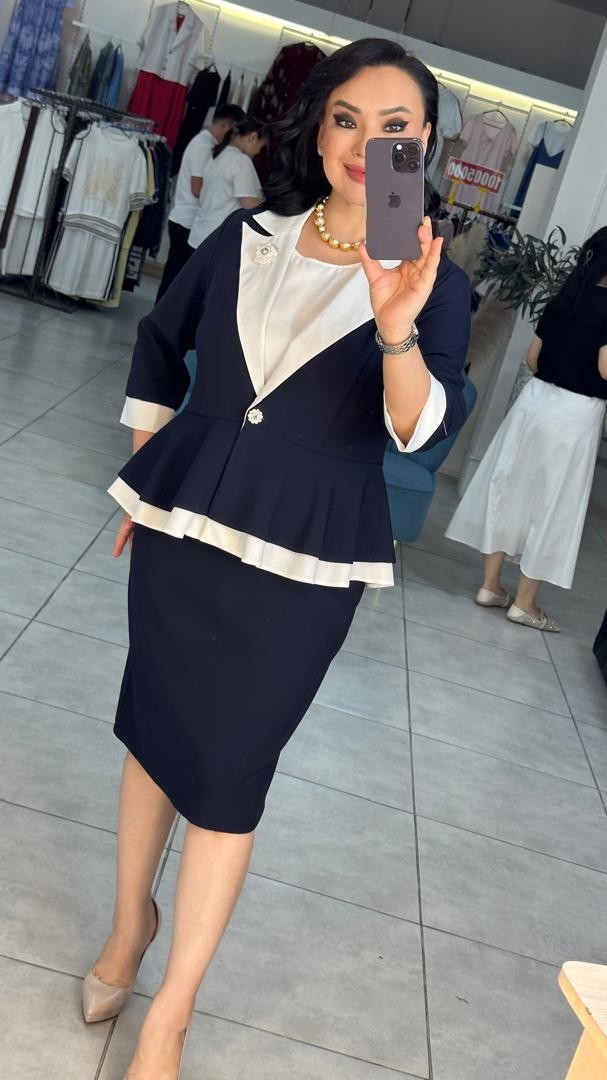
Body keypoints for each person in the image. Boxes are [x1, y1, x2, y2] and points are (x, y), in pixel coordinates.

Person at [83, 38, 471, 1079]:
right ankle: (127, 924)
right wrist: (147, 475)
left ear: (423, 145)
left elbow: (419, 430)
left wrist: (396, 330)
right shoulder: (249, 233)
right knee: (152, 734)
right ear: (319, 126)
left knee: (228, 776)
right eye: (347, 118)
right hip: (184, 531)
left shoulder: (430, 277)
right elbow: (159, 342)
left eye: (394, 128)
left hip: (305, 562)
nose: (366, 144)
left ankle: (171, 1014)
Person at [446, 228, 607, 632]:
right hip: (577, 413)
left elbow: (532, 358)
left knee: (510, 487)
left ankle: (490, 586)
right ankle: (525, 603)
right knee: (554, 503)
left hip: (534, 403)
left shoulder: (563, 299)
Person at [156, 103, 246, 300]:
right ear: (224, 125)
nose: (235, 138)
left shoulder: (207, 143)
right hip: (186, 220)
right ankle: (161, 316)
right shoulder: (203, 146)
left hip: (188, 219)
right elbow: (197, 189)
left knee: (177, 279)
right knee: (175, 279)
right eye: (234, 132)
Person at [187, 116, 267, 250]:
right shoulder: (241, 161)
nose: (258, 151)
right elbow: (249, 204)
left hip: (200, 233)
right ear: (253, 137)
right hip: (217, 238)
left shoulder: (217, 154)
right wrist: (271, 204)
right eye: (261, 146)